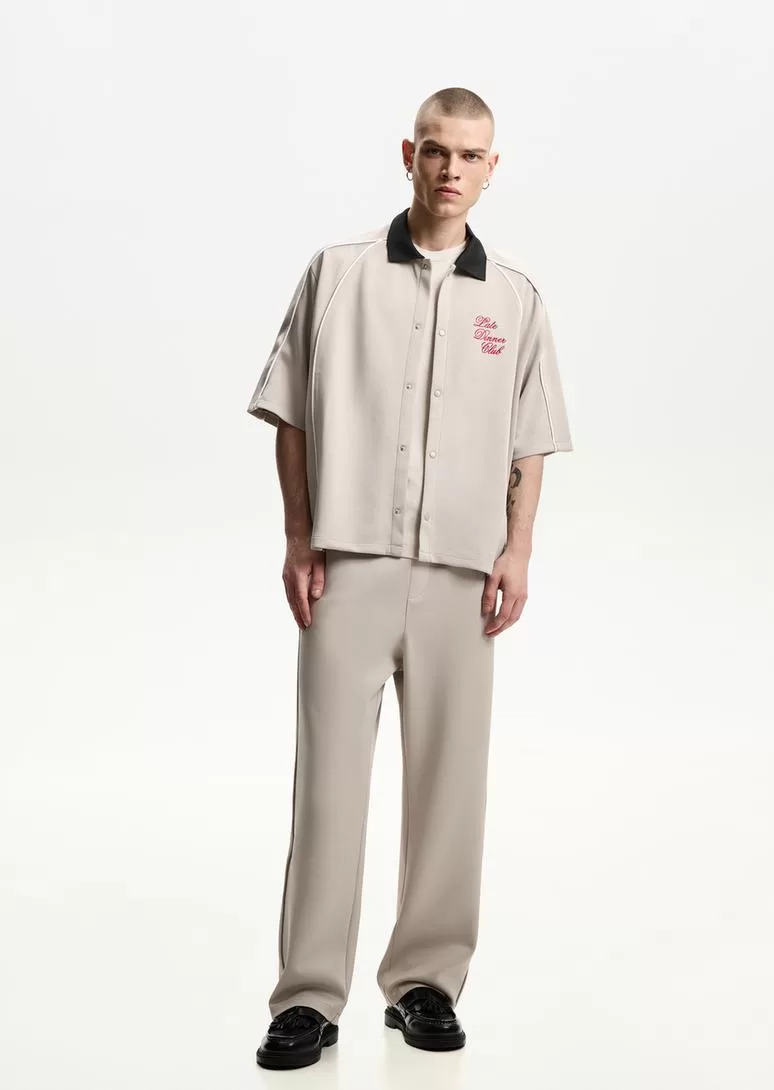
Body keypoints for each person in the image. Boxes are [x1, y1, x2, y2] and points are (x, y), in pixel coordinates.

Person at [247, 86, 573, 1069]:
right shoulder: (337, 273)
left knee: (449, 787)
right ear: (409, 154)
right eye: (436, 150)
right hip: (347, 563)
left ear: (491, 168)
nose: (450, 169)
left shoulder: (513, 298)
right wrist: (299, 536)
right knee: (328, 789)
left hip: (460, 577)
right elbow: (292, 412)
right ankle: (308, 997)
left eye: (469, 155)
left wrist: (518, 549)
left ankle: (425, 982)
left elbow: (529, 439)